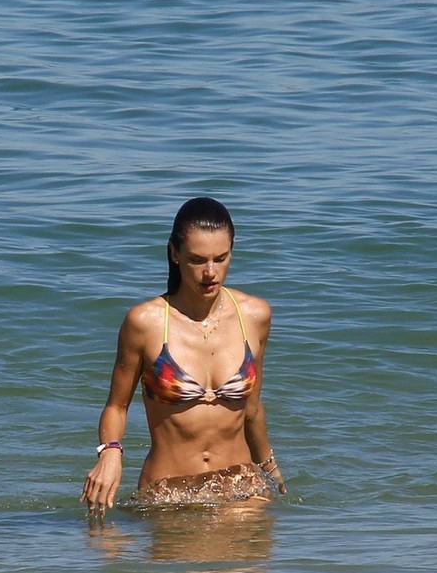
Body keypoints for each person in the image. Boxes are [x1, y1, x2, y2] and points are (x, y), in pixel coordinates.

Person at [81, 197, 285, 516]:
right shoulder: (146, 323)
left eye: (221, 258)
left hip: (242, 488)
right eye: (197, 260)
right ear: (175, 254)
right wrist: (110, 452)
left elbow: (252, 409)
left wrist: (271, 472)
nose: (210, 272)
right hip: (168, 493)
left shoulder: (255, 315)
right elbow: (116, 406)